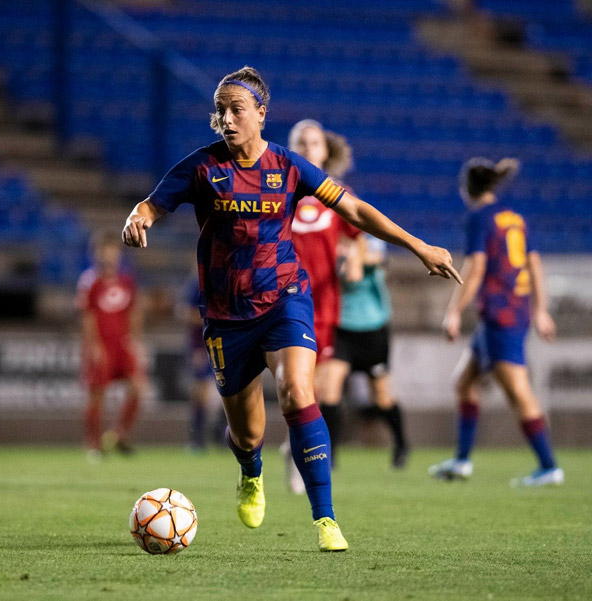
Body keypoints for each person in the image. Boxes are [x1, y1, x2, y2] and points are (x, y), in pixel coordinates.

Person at [122, 66, 461, 551]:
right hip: (225, 316)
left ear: (261, 114)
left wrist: (417, 244)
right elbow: (153, 205)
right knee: (246, 432)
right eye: (220, 111)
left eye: (237, 109)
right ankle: (251, 472)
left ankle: (326, 520)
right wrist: (138, 217)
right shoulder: (202, 167)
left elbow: (355, 210)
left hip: (285, 299)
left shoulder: (289, 167)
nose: (227, 119)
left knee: (298, 391)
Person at [430, 158, 562, 487]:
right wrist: (540, 309)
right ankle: (461, 461)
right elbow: (535, 263)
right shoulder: (513, 218)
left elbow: (475, 268)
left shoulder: (479, 218)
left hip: (501, 314)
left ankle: (549, 467)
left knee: (519, 392)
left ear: (467, 189)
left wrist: (454, 311)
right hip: (511, 311)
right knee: (463, 381)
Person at [282, 122, 362, 493]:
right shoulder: (280, 191)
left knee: (323, 390)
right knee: (303, 386)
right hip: (288, 301)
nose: (308, 148)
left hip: (328, 304)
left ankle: (301, 450)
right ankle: (300, 455)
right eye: (301, 143)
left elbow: (358, 235)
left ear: (324, 152)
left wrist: (355, 261)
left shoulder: (338, 194)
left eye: (314, 143)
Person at [326, 233, 409, 469]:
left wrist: (351, 254)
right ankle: (330, 454)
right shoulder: (331, 236)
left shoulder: (367, 237)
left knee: (381, 397)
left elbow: (377, 259)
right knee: (330, 391)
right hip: (342, 328)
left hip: (373, 328)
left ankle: (401, 444)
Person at [77, 232, 145, 462]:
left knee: (137, 387)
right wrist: (94, 345)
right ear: (97, 254)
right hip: (102, 345)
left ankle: (119, 435)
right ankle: (93, 444)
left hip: (122, 344)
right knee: (97, 394)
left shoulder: (126, 281)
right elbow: (87, 315)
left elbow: (134, 311)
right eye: (104, 251)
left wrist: (135, 340)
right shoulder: (90, 281)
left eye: (113, 251)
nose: (109, 256)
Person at [181, 275, 223, 452]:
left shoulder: (229, 279)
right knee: (200, 391)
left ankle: (221, 435)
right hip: (201, 344)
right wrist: (211, 317)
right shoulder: (196, 284)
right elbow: (186, 312)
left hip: (224, 342)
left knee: (229, 390)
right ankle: (197, 438)